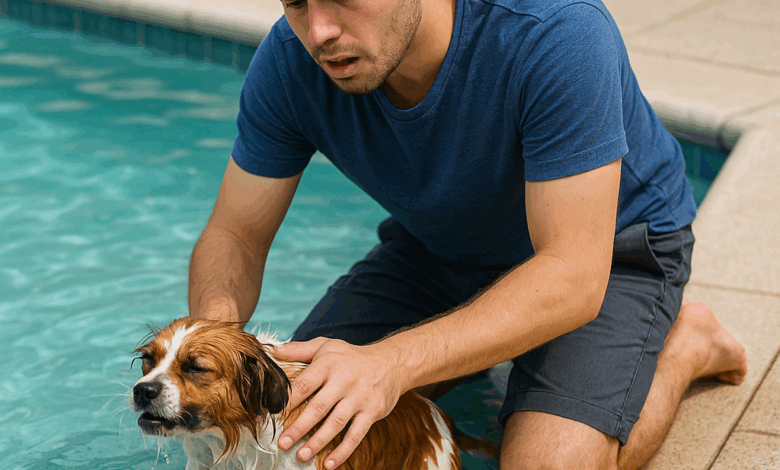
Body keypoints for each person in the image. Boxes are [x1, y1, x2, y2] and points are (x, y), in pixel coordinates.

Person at [188, 0, 749, 467]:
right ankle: (473, 352)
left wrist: (392, 364)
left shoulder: (555, 31)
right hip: (439, 250)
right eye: (297, 3)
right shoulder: (290, 60)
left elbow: (573, 277)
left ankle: (687, 346)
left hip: (610, 253)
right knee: (306, 431)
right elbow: (235, 232)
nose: (321, 31)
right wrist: (215, 337)